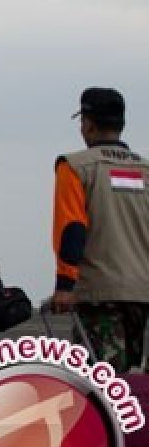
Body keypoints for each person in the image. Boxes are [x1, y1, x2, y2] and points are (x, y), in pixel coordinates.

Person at [50, 88, 149, 373]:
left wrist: (65, 285)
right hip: (142, 292)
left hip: (99, 292)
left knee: (100, 382)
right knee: (129, 381)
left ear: (88, 123)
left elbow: (72, 227)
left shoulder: (75, 167)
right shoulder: (145, 169)